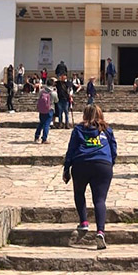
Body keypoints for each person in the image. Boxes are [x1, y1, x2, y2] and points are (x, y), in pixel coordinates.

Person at [63, 104, 117, 250]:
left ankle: (84, 222)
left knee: (79, 193)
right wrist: (110, 164)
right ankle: (100, 232)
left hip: (81, 163)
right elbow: (113, 150)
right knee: (99, 200)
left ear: (84, 115)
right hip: (103, 165)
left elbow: (71, 149)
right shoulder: (107, 130)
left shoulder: (79, 130)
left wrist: (66, 167)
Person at [34, 79, 58, 143]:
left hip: (42, 109)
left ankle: (36, 136)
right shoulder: (53, 93)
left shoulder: (42, 91)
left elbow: (39, 98)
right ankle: (44, 139)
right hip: (50, 109)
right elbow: (56, 101)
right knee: (47, 124)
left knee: (41, 123)